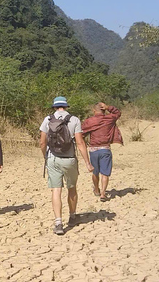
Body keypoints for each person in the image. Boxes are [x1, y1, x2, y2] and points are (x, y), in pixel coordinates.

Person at [39, 96, 93, 235]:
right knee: (72, 188)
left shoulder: (48, 119)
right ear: (66, 106)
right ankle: (73, 216)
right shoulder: (74, 120)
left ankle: (58, 222)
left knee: (56, 190)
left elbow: (42, 142)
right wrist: (87, 162)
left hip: (53, 158)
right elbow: (80, 143)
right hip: (69, 159)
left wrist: (46, 156)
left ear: (55, 107)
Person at [82, 102, 123, 202]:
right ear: (104, 110)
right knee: (105, 173)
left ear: (94, 111)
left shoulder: (89, 121)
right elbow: (117, 113)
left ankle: (96, 190)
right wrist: (109, 107)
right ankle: (103, 194)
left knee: (95, 172)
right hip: (105, 148)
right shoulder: (109, 119)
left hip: (93, 149)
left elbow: (81, 134)